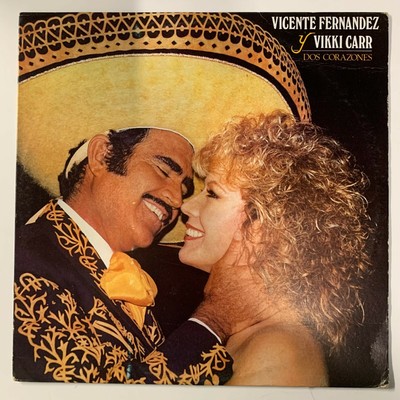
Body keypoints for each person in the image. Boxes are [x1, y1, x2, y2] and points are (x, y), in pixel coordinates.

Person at [13, 126, 266, 384]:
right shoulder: (19, 263)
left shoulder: (123, 277)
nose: (177, 201)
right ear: (101, 155)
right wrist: (214, 320)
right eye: (164, 170)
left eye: (184, 190)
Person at [179, 110, 371, 386]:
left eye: (212, 193)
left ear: (266, 224)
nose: (187, 207)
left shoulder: (276, 349)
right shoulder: (258, 337)